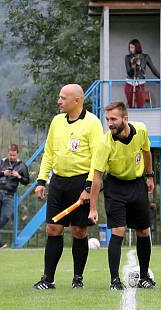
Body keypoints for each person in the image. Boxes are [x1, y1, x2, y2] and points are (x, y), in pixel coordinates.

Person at [32, 84, 103, 290]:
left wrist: (89, 188)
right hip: (59, 182)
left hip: (81, 182)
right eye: (59, 97)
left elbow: (97, 160)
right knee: (53, 228)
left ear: (77, 101)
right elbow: (49, 152)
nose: (59, 101)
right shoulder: (56, 121)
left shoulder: (92, 124)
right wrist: (41, 180)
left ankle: (78, 278)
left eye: (63, 98)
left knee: (79, 231)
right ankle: (48, 279)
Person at [87, 101, 156, 290]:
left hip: (137, 184)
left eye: (113, 119)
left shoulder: (141, 130)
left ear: (125, 118)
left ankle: (144, 277)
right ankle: (114, 280)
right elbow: (97, 176)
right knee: (118, 230)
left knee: (143, 231)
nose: (109, 123)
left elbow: (147, 151)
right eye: (107, 119)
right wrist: (93, 208)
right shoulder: (104, 143)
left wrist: (150, 176)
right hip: (115, 187)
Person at [0, 144, 29, 249]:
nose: (12, 157)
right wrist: (3, 173)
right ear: (8, 153)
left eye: (14, 155)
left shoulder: (22, 166)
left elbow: (26, 181)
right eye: (10, 155)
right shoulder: (1, 162)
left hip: (9, 194)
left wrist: (19, 176)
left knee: (6, 217)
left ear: (17, 154)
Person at [124, 39, 160, 108]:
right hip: (129, 83)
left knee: (140, 103)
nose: (130, 49)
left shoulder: (145, 57)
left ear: (137, 47)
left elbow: (153, 69)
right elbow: (129, 72)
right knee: (130, 104)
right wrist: (133, 67)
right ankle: (131, 118)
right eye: (130, 47)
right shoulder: (127, 57)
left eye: (132, 47)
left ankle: (140, 118)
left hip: (140, 83)